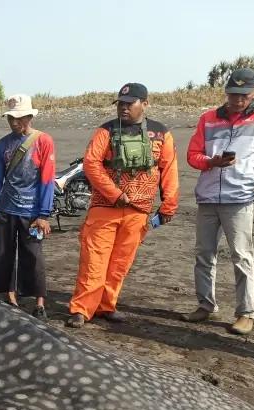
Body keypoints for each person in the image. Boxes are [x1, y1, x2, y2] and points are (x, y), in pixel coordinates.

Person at [182, 67, 254, 336]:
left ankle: (246, 312)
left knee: (241, 256)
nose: (237, 100)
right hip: (208, 196)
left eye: (243, 95)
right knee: (203, 254)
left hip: (241, 196)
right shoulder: (208, 119)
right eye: (232, 94)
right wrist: (211, 162)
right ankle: (205, 304)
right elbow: (192, 155)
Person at [65, 83, 179, 328]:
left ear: (145, 104)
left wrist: (169, 205)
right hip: (104, 208)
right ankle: (82, 309)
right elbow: (91, 164)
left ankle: (107, 305)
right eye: (120, 103)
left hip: (139, 211)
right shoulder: (105, 131)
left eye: (130, 103)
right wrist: (114, 193)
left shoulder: (161, 133)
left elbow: (168, 169)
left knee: (120, 263)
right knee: (93, 260)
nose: (123, 107)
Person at [0, 94, 55, 318]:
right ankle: (11, 298)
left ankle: (40, 303)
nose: (14, 123)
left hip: (33, 212)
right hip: (6, 209)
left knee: (34, 257)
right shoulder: (2, 144)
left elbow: (47, 179)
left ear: (28, 116)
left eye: (19, 118)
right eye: (10, 118)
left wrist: (44, 214)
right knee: (5, 254)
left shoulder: (43, 141)